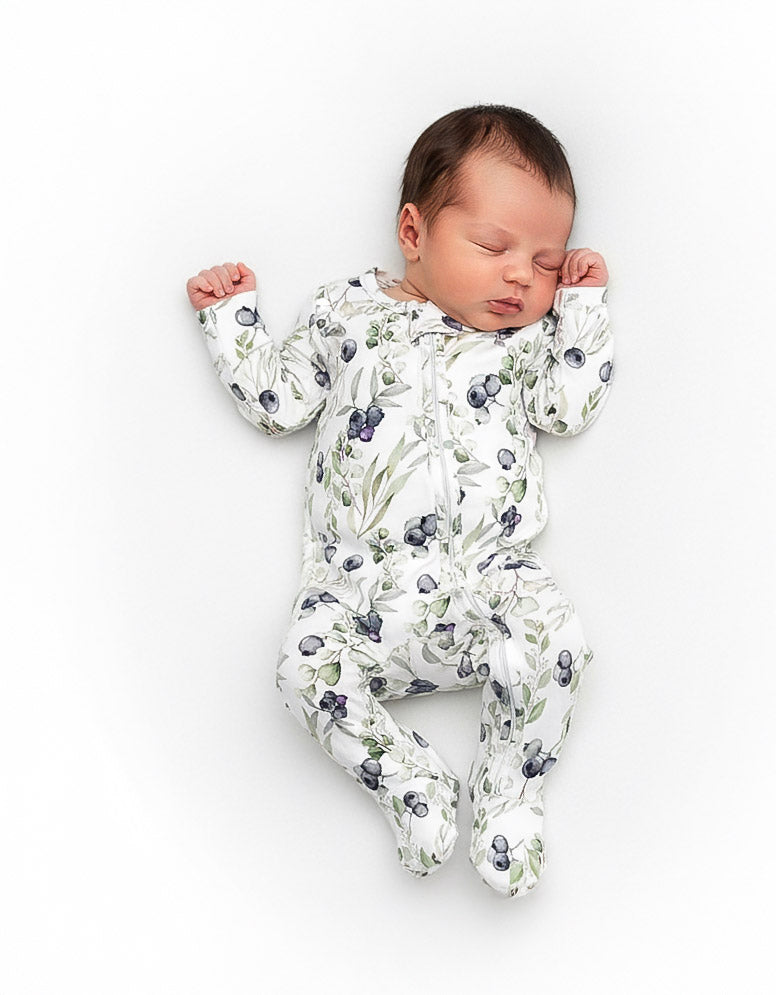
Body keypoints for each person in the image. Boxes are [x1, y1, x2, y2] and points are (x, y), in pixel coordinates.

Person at [185, 104, 614, 898]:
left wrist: (582, 307)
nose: (522, 274)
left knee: (558, 642)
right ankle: (409, 782)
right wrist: (232, 318)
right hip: (359, 588)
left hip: (489, 578)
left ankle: (510, 793)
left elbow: (568, 406)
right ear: (413, 232)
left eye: (547, 260)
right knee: (302, 670)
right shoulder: (345, 314)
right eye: (495, 246)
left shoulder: (522, 343)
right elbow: (278, 402)